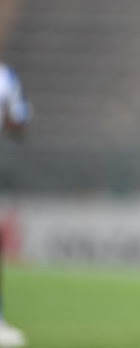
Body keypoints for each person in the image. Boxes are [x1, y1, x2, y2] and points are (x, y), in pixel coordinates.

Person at [0, 63, 31, 348]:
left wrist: (18, 118)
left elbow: (17, 125)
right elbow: (18, 124)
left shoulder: (6, 77)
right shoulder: (5, 77)